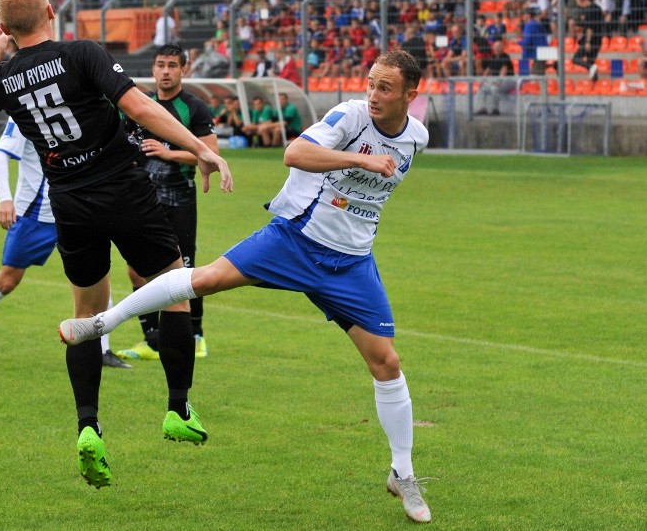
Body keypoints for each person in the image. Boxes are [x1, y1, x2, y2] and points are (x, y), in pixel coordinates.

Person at [59, 50, 433, 524]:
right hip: (295, 239)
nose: (373, 95)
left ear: (410, 94)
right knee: (205, 279)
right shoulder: (351, 116)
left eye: (385, 88)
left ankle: (402, 473)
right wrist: (360, 160)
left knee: (387, 362)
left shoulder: (417, 137)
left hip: (351, 263)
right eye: (371, 83)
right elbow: (294, 153)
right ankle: (102, 322)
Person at [0, 0, 232, 490]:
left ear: (5, 28)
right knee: (176, 288)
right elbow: (140, 108)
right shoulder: (80, 53)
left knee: (85, 313)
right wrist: (200, 148)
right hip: (124, 189)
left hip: (69, 201)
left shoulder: (3, 78)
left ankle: (89, 426)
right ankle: (177, 407)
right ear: (52, 9)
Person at [0, 118, 131, 369]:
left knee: (97, 276)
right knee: (7, 280)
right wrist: (5, 199)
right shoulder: (22, 112)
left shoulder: (78, 106)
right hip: (34, 216)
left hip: (77, 210)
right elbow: (0, 156)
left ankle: (102, 350)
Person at [117, 43, 219, 361]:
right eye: (160, 64)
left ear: (183, 70)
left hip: (180, 201)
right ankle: (151, 340)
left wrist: (168, 152)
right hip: (142, 201)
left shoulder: (194, 108)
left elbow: (210, 157)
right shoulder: (139, 105)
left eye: (172, 65)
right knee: (136, 270)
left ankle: (197, 335)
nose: (165, 71)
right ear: (153, 68)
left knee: (184, 273)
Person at [476, 40, 516, 116]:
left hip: (508, 81)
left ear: (502, 48)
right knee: (482, 88)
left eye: (498, 47)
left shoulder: (505, 57)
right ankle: (483, 108)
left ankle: (495, 109)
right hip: (497, 81)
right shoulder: (493, 58)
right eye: (495, 47)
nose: (496, 49)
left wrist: (498, 81)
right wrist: (482, 81)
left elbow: (503, 71)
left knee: (494, 88)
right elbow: (487, 70)